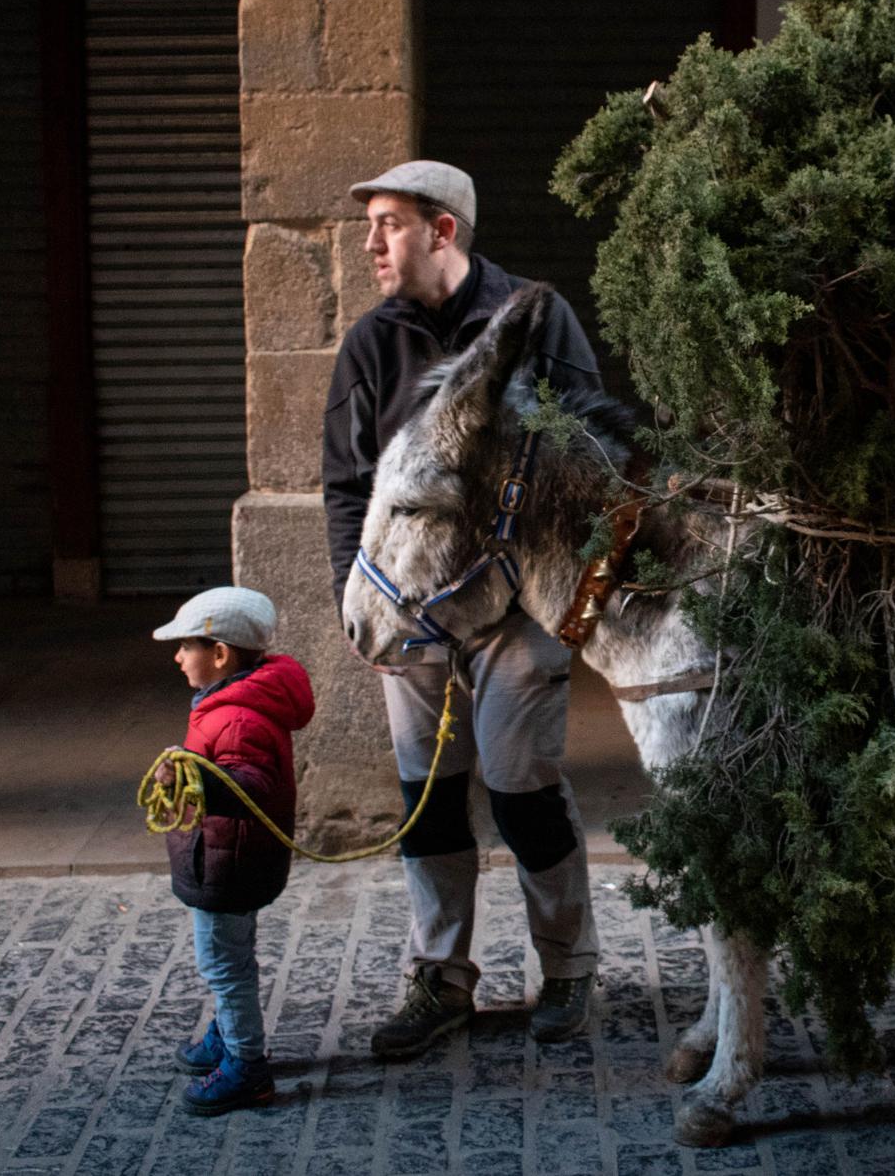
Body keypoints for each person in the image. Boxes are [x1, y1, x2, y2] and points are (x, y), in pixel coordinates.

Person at [323, 160, 605, 1058]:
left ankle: (569, 967)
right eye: (371, 224)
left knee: (524, 793)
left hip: (516, 608)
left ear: (443, 231)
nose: (371, 242)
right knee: (428, 800)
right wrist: (351, 597)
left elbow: (587, 449)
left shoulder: (534, 319)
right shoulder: (371, 345)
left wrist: (559, 592)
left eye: (389, 224)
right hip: (409, 615)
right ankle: (440, 978)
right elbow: (345, 487)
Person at [152, 586, 314, 1116]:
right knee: (232, 954)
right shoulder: (231, 700)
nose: (177, 658)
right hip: (228, 855)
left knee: (222, 961)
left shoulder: (238, 716)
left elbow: (252, 785)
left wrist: (194, 780)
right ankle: (227, 1033)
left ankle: (246, 1064)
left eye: (186, 647)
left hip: (227, 859)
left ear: (220, 654)